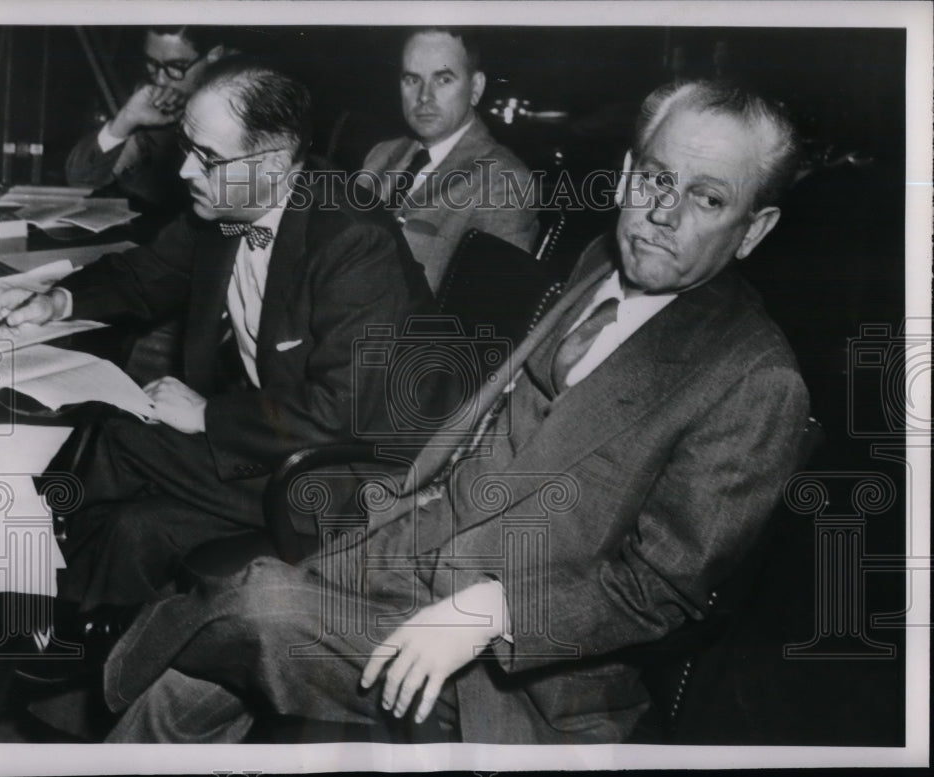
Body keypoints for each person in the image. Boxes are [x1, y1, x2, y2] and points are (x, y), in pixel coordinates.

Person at [102, 79, 812, 744]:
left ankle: (97, 681)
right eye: (657, 179)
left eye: (709, 199)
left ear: (755, 228)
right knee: (182, 686)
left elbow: (659, 592)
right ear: (628, 174)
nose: (664, 213)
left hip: (508, 669)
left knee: (253, 604)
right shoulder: (606, 255)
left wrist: (490, 614)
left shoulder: (755, 380)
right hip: (400, 547)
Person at [0, 57, 433, 615]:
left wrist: (205, 417)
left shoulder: (354, 242)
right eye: (187, 149)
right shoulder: (230, 205)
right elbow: (146, 274)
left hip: (346, 474)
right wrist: (58, 299)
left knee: (117, 438)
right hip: (276, 442)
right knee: (135, 528)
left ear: (271, 163)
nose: (185, 173)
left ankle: (17, 595)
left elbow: (345, 409)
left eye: (209, 159)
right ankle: (62, 637)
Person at [360, 28, 540, 292]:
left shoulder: (504, 181)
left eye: (443, 80)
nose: (424, 97)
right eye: (412, 80)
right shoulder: (381, 155)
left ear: (475, 88)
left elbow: (484, 307)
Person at [65, 26, 229, 216]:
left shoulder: (243, 100)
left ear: (215, 55)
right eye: (152, 63)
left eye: (176, 66)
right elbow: (81, 180)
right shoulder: (151, 98)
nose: (160, 79)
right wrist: (126, 120)